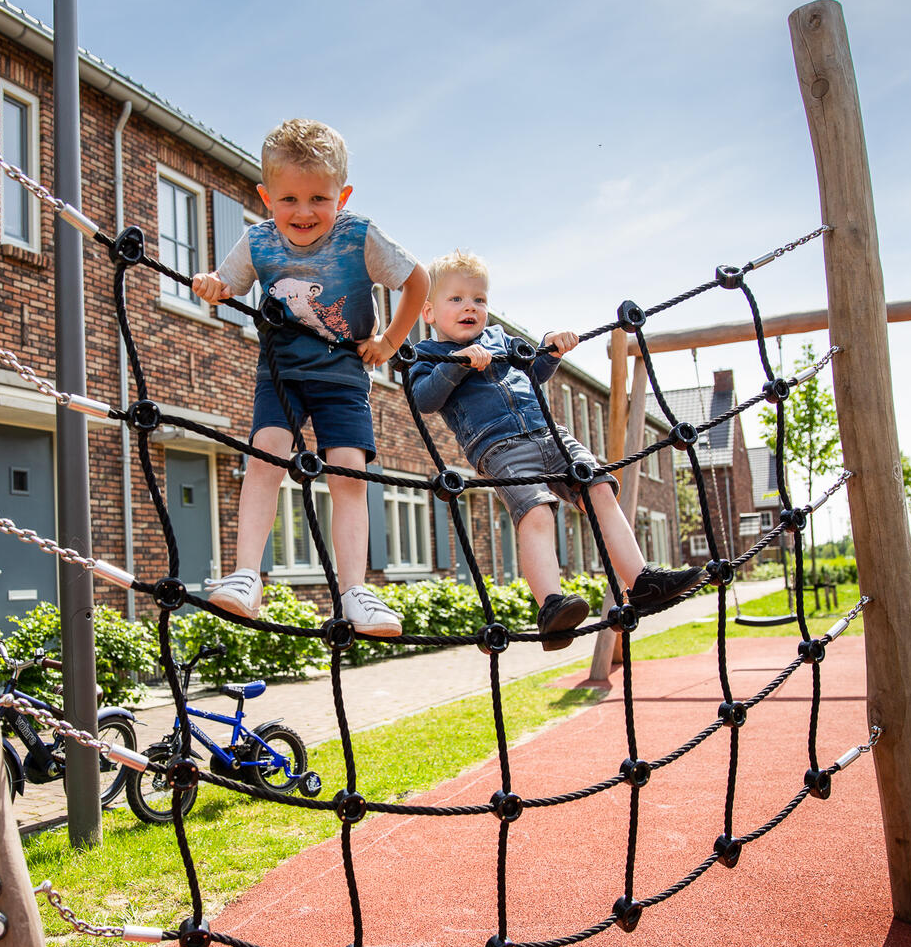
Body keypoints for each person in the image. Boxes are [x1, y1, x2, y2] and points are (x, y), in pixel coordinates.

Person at [191, 119, 429, 636]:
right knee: (265, 455)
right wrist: (211, 285)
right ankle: (247, 575)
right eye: (289, 199)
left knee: (347, 471)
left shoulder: (359, 236)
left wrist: (390, 341)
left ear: (341, 195)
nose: (303, 212)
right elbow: (225, 284)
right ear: (265, 196)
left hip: (343, 372)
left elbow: (417, 280)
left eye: (319, 198)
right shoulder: (258, 241)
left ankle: (353, 591)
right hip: (281, 369)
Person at [407, 251, 704, 649]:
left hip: (551, 433)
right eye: (457, 299)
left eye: (479, 299)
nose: (470, 307)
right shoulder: (426, 356)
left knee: (599, 487)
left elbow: (535, 371)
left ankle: (641, 581)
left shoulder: (500, 339)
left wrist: (551, 349)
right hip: (500, 448)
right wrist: (456, 365)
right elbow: (425, 400)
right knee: (537, 510)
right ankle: (550, 605)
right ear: (429, 312)